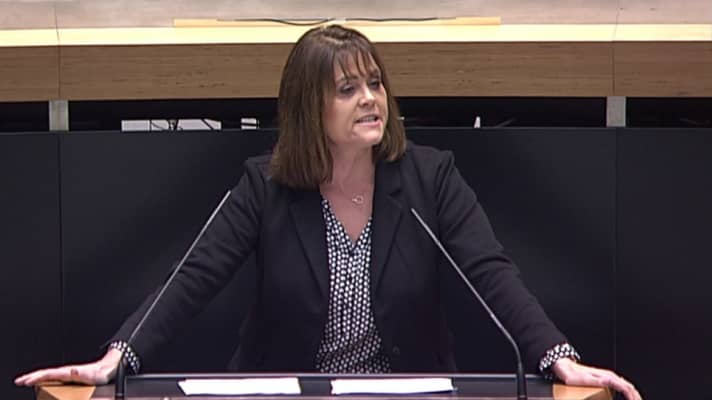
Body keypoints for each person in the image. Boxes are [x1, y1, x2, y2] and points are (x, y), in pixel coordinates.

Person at [15, 24, 641, 400]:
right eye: (347, 89)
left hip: (406, 392)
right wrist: (117, 357)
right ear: (309, 109)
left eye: (375, 84)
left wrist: (558, 357)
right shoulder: (265, 187)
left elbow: (493, 274)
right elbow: (191, 279)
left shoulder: (430, 178)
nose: (371, 100)